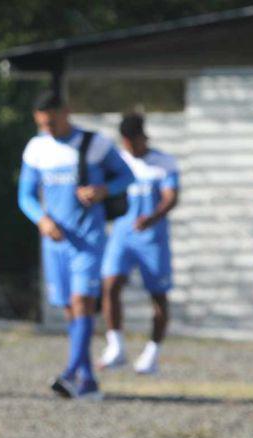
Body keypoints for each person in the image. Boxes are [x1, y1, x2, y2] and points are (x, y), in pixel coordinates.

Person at [18, 91, 134, 400]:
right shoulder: (37, 148)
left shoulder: (94, 143)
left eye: (53, 122)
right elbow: (25, 195)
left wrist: (103, 189)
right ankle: (89, 380)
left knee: (83, 302)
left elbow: (127, 175)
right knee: (71, 309)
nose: (49, 130)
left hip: (88, 239)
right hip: (55, 242)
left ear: (66, 113)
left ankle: (70, 373)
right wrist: (41, 220)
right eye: (43, 125)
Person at [99, 114, 180, 374]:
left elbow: (171, 197)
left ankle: (152, 352)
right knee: (110, 284)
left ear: (142, 138)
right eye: (126, 143)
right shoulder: (118, 163)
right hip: (122, 236)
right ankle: (116, 346)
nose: (130, 148)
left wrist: (153, 216)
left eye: (134, 142)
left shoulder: (163, 163)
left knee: (158, 296)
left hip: (152, 239)